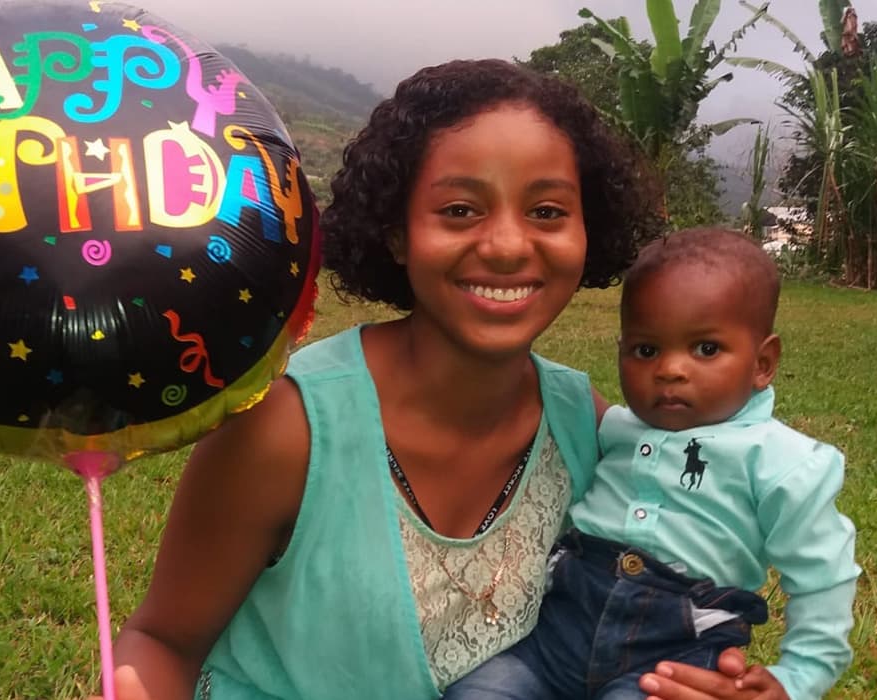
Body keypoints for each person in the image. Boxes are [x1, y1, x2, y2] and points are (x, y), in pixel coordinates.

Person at [98, 61, 773, 700]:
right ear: (397, 234)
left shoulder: (589, 430)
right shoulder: (286, 425)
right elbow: (164, 638)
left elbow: (637, 618)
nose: (508, 245)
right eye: (460, 210)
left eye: (547, 212)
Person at [445, 228, 859, 700]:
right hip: (558, 634)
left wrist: (798, 677)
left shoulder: (782, 461)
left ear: (763, 362)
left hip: (676, 654)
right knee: (478, 691)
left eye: (706, 349)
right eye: (646, 350)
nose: (669, 369)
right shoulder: (613, 429)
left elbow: (824, 578)